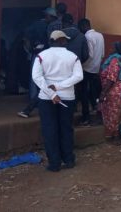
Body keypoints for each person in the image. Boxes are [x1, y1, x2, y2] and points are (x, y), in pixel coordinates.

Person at [32, 30, 83, 172]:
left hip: (46, 98)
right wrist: (60, 87)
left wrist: (51, 93)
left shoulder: (41, 56)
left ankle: (54, 163)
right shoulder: (72, 57)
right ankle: (69, 160)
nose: (66, 42)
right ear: (61, 41)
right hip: (67, 97)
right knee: (66, 129)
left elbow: (36, 77)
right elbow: (78, 76)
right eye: (65, 40)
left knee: (50, 130)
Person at [18, 8, 57, 118]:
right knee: (37, 78)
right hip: (40, 54)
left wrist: (30, 49)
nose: (53, 20)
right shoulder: (39, 25)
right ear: (47, 16)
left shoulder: (49, 26)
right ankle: (34, 100)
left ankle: (35, 100)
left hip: (42, 55)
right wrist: (30, 49)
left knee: (39, 78)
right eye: (52, 17)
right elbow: (25, 37)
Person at [98, 42, 121, 143]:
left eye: (112, 47)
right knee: (119, 112)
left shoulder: (114, 60)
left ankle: (114, 136)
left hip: (114, 89)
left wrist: (103, 92)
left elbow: (111, 78)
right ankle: (117, 135)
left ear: (116, 48)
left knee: (113, 113)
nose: (110, 48)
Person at [78, 18, 105, 126]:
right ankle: (96, 110)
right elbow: (102, 54)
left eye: (80, 28)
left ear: (84, 26)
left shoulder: (87, 37)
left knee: (83, 93)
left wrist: (81, 64)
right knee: (95, 92)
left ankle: (86, 118)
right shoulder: (100, 35)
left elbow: (90, 54)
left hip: (87, 68)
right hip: (96, 68)